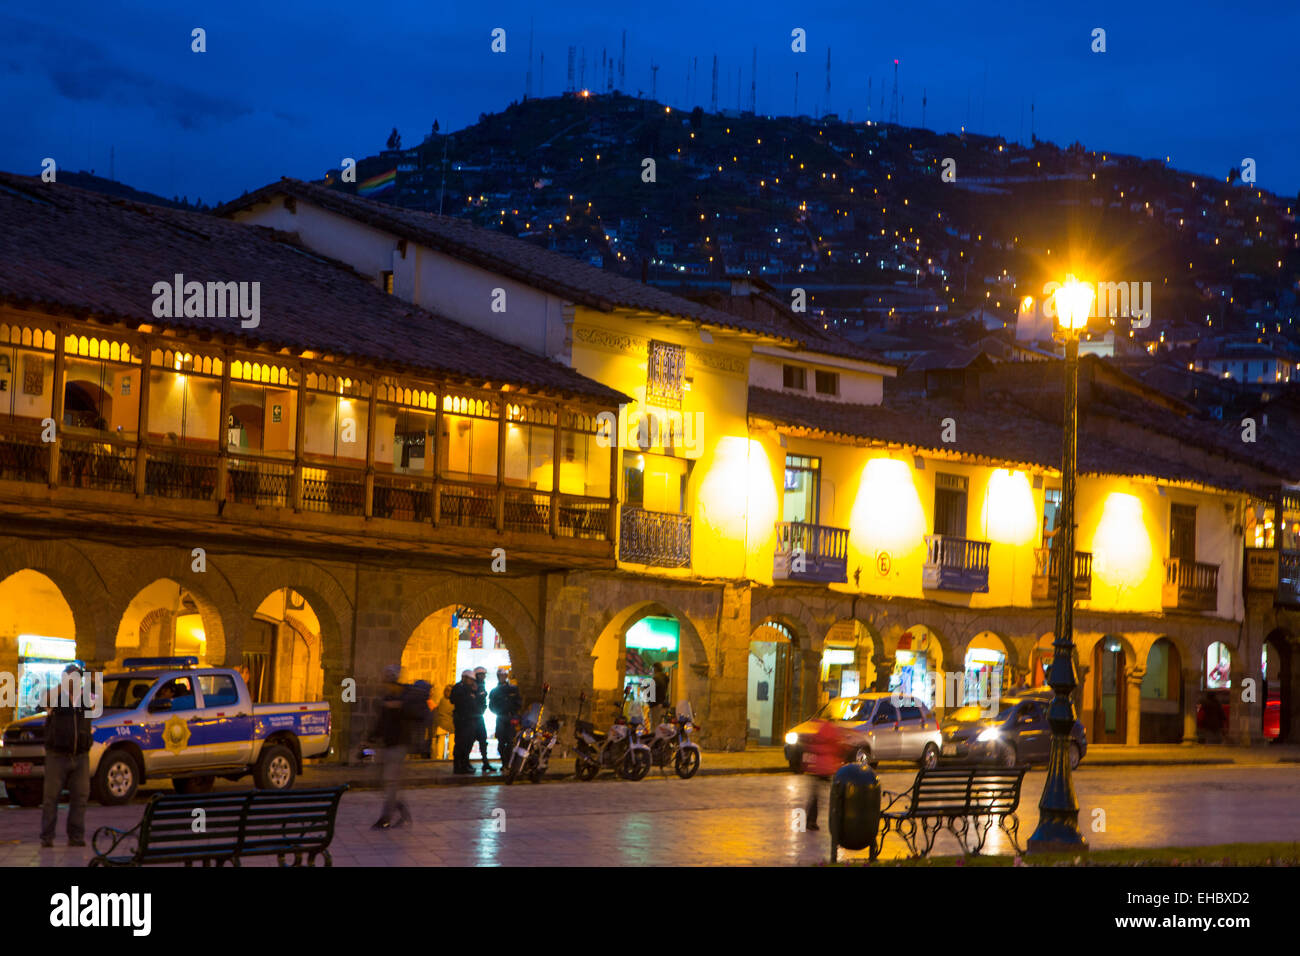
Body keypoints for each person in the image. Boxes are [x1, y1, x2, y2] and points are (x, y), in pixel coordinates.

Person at [40, 664, 92, 848]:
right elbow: (43, 701)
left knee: (80, 797)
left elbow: (101, 700)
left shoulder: (85, 698)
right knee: (50, 798)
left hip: (80, 755)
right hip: (57, 755)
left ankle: (76, 836)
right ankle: (47, 837)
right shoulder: (55, 696)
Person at [369, 664, 418, 829]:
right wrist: (371, 738)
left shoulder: (406, 696)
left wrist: (400, 706)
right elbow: (382, 721)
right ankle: (402, 809)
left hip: (399, 745)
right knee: (386, 782)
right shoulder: (388, 697)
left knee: (390, 782)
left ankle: (385, 818)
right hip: (388, 744)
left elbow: (413, 715)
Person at [802, 719, 844, 832]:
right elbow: (838, 748)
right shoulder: (833, 732)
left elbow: (812, 748)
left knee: (815, 796)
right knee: (835, 795)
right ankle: (838, 820)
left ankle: (810, 821)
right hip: (828, 768)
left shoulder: (820, 732)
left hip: (817, 768)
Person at [488, 668, 522, 766]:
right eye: (499, 676)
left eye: (503, 675)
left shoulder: (513, 689)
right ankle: (504, 762)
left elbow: (518, 702)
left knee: (510, 741)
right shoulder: (494, 691)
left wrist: (514, 713)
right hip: (501, 718)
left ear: (506, 676)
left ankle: (509, 763)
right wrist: (498, 712)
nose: (501, 677)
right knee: (501, 741)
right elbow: (491, 705)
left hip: (511, 718)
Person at [449, 670, 479, 774]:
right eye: (470, 679)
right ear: (464, 678)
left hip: (470, 719)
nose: (472, 682)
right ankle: (458, 766)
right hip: (462, 720)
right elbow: (455, 700)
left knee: (468, 743)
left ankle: (465, 763)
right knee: (461, 743)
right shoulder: (459, 688)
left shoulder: (470, 689)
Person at [471, 666, 493, 772]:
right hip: (473, 717)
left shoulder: (481, 685)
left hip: (479, 716)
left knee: (483, 740)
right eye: (482, 674)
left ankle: (485, 762)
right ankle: (465, 763)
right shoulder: (474, 686)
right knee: (470, 741)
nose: (483, 677)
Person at [433, 683, 456, 760]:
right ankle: (451, 757)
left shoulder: (442, 700)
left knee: (441, 741)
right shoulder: (453, 702)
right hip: (451, 724)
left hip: (441, 723)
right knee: (452, 741)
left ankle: (439, 757)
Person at [650, 662, 671, 727]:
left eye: (652, 669)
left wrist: (649, 702)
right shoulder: (665, 678)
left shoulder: (656, 678)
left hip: (656, 705)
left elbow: (652, 692)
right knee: (661, 725)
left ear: (655, 669)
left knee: (654, 725)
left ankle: (655, 737)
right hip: (663, 704)